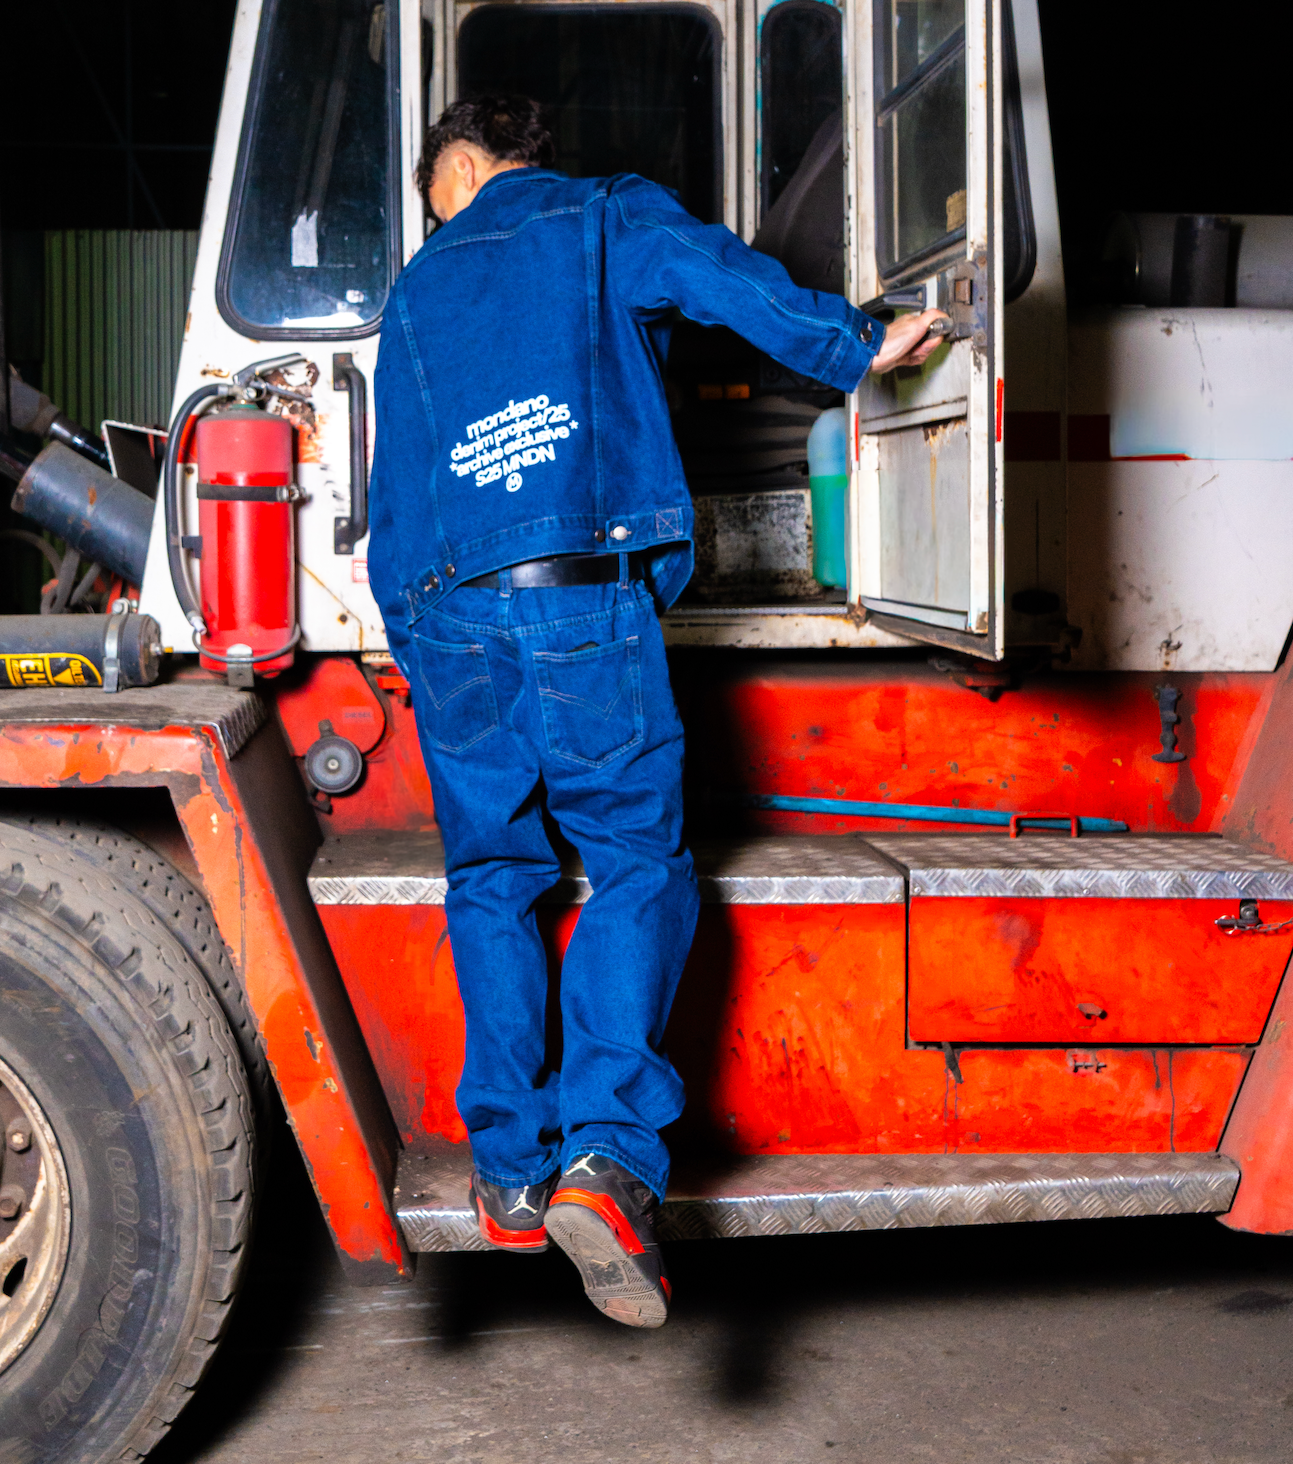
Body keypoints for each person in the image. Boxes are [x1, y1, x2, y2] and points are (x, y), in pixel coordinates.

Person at [367, 94, 944, 1330]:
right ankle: (608, 1162)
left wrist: (425, 648)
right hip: (580, 599)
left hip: (446, 616)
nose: (438, 213)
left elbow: (396, 496)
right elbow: (719, 276)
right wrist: (858, 343)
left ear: (459, 165)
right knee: (632, 861)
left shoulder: (414, 289)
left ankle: (510, 1169)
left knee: (490, 876)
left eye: (434, 192)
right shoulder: (598, 218)